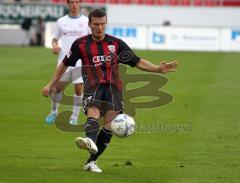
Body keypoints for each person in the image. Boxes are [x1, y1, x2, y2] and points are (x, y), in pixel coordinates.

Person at [42, 9, 178, 173]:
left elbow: (136, 61)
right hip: (93, 86)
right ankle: (90, 139)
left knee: (110, 124)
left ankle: (91, 161)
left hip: (114, 88)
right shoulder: (80, 44)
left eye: (102, 24)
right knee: (93, 112)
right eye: (96, 24)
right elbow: (65, 63)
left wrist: (158, 69)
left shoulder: (116, 43)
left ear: (106, 23)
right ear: (89, 24)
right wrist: (51, 84)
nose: (99, 28)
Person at [45, 0, 91, 125]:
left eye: (77, 2)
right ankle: (54, 112)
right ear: (68, 4)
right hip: (64, 60)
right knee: (57, 88)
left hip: (80, 61)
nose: (74, 4)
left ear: (80, 3)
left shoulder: (87, 21)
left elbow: (92, 40)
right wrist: (54, 45)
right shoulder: (61, 21)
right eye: (72, 2)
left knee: (78, 89)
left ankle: (74, 117)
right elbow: (55, 38)